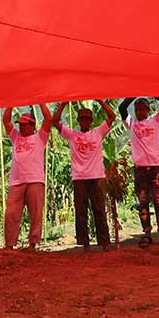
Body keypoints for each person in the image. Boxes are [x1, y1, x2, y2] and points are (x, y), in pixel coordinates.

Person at [53, 99, 116, 251]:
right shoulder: (72, 134)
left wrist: (101, 101)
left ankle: (105, 242)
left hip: (96, 176)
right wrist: (63, 104)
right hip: (79, 177)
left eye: (87, 119)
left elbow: (112, 116)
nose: (85, 122)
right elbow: (55, 122)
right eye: (82, 119)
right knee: (81, 212)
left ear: (91, 121)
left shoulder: (98, 132)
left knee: (99, 210)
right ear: (78, 121)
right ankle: (85, 243)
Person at [118, 96, 159, 246]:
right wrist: (133, 95)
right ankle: (147, 234)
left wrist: (153, 92)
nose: (139, 112)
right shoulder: (132, 123)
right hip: (140, 168)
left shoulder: (156, 121)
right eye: (137, 109)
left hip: (155, 168)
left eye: (142, 109)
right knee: (143, 203)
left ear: (149, 110)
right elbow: (122, 109)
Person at [2, 104, 52, 250]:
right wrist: (10, 103)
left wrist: (41, 102)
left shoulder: (40, 137)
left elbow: (48, 119)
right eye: (20, 125)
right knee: (11, 213)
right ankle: (10, 244)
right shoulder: (15, 137)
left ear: (32, 126)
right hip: (16, 181)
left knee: (35, 213)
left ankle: (32, 244)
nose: (21, 128)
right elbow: (6, 121)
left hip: (35, 180)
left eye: (24, 125)